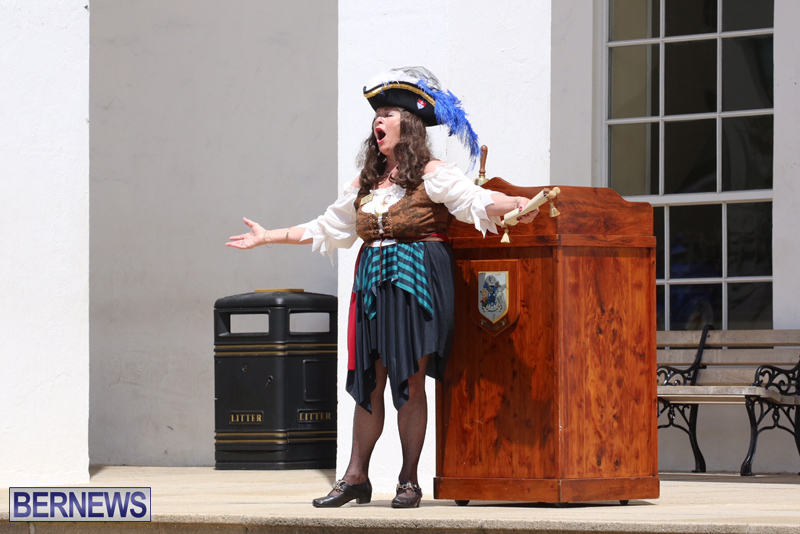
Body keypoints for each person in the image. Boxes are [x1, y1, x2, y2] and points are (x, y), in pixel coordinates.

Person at [226, 66, 538, 508]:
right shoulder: (366, 183)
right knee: (369, 380)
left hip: (415, 281)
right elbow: (326, 226)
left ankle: (409, 480)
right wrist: (268, 236)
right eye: (377, 115)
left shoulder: (433, 173)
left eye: (388, 114)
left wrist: (514, 203)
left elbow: (476, 200)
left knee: (410, 379)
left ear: (408, 126)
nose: (379, 120)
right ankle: (355, 477)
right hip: (372, 283)